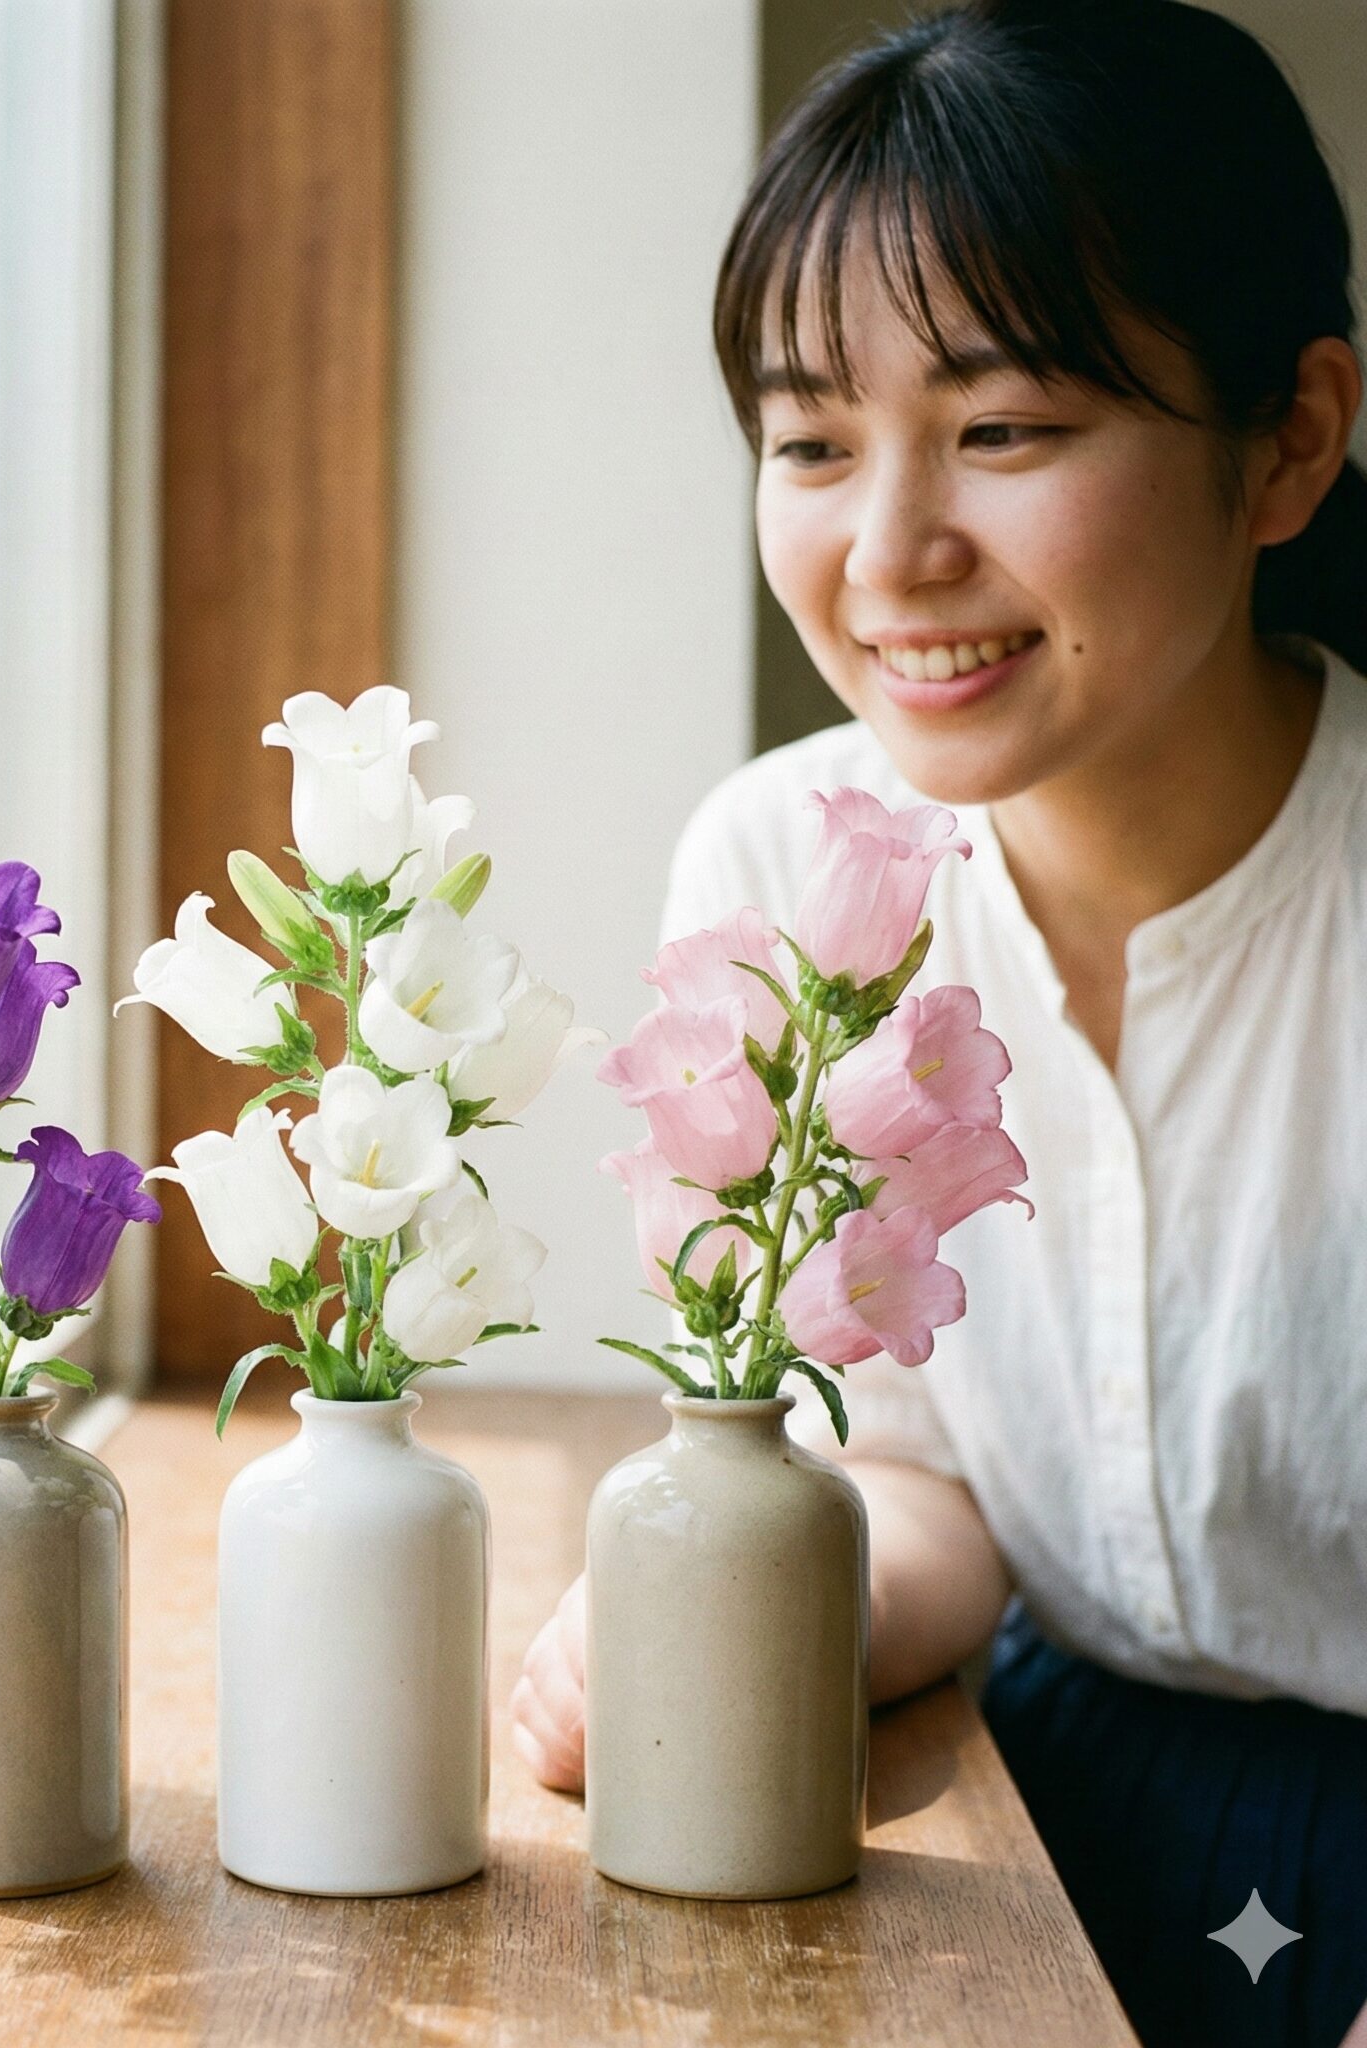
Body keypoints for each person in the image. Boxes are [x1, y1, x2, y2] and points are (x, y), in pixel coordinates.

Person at [509, 5, 1367, 2045]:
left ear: (1290, 438)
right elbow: (923, 1486)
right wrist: (737, 1604)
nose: (884, 553)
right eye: (810, 443)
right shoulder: (783, 861)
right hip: (1043, 1778)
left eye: (1000, 429)